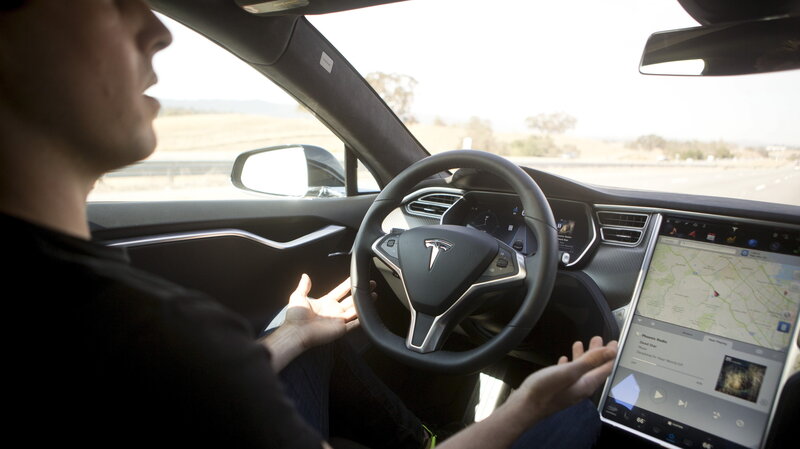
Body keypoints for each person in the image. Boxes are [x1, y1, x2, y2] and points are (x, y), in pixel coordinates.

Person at [0, 1, 618, 448]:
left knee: (314, 339)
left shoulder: (133, 337)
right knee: (588, 409)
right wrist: (529, 403)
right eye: (111, 0)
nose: (158, 29)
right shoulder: (165, 341)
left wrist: (291, 334)